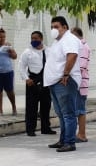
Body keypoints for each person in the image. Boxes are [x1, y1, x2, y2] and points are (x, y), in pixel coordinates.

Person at [44, 16, 81, 153]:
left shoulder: (69, 39)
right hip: (55, 82)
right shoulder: (58, 41)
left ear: (65, 27)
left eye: (56, 26)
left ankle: (70, 142)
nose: (54, 29)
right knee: (61, 114)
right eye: (52, 27)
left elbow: (72, 56)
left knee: (68, 114)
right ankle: (63, 140)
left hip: (65, 81)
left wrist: (65, 74)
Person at [17, 30, 55, 137]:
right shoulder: (27, 52)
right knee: (31, 107)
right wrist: (26, 78)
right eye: (32, 38)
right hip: (32, 80)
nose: (34, 40)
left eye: (36, 38)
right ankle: (30, 129)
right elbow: (21, 66)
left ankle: (46, 128)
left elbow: (53, 65)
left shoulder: (49, 51)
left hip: (46, 80)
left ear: (41, 39)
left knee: (46, 106)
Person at [71, 27, 90, 142]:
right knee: (77, 109)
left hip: (80, 83)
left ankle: (82, 134)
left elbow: (81, 66)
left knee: (80, 110)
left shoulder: (82, 47)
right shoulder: (80, 46)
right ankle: (79, 134)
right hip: (78, 82)